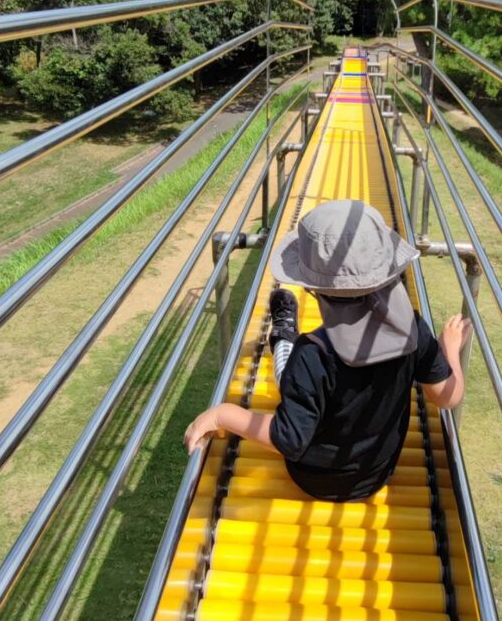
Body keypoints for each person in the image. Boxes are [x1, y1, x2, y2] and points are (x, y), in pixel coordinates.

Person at [184, 199, 471, 502]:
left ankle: (283, 333)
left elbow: (290, 439)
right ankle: (285, 332)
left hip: (313, 480)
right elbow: (446, 396)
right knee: (300, 377)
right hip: (376, 476)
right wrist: (449, 349)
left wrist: (223, 415)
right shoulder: (413, 329)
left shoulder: (311, 356)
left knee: (287, 373)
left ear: (312, 288)